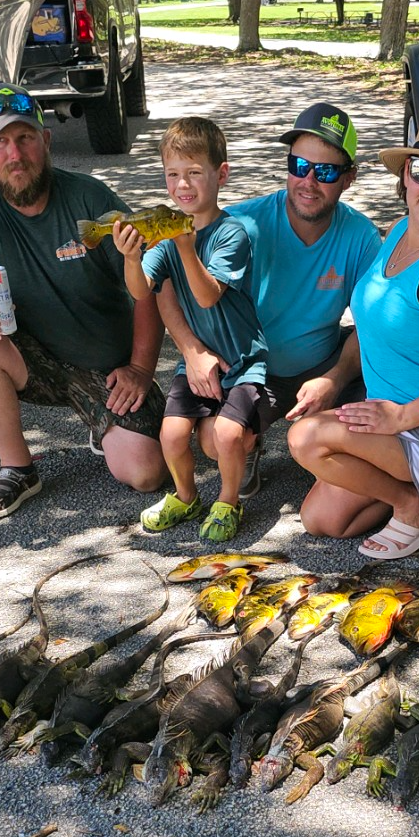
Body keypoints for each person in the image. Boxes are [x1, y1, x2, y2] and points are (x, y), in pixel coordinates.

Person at [288, 110, 419, 560]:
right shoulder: (404, 228)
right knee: (322, 520)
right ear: (405, 174)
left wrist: (400, 419)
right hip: (395, 422)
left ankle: (415, 505)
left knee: (305, 439)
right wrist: (336, 378)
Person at [0, 83, 168, 519]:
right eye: (1, 142)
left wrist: (142, 368)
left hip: (106, 370)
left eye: (26, 138)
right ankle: (17, 467)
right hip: (32, 358)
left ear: (45, 140)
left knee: (145, 473)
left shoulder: (89, 196)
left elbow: (149, 284)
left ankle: (104, 426)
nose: (16, 154)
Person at [159, 102, 381, 500]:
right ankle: (253, 443)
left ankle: (336, 454)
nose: (308, 181)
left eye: (326, 171)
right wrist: (192, 352)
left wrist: (333, 380)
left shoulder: (362, 236)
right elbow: (168, 284)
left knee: (377, 404)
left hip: (323, 358)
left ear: (349, 178)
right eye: (299, 166)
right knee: (215, 441)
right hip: (253, 368)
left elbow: (371, 324)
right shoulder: (241, 223)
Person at [114, 116, 277, 544]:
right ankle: (186, 496)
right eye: (172, 175)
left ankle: (228, 501)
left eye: (193, 173)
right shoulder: (167, 238)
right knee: (170, 433)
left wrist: (185, 245)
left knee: (226, 434)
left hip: (242, 363)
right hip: (196, 363)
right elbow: (142, 290)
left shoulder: (231, 233)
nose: (182, 186)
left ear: (220, 174)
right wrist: (132, 259)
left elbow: (207, 295)